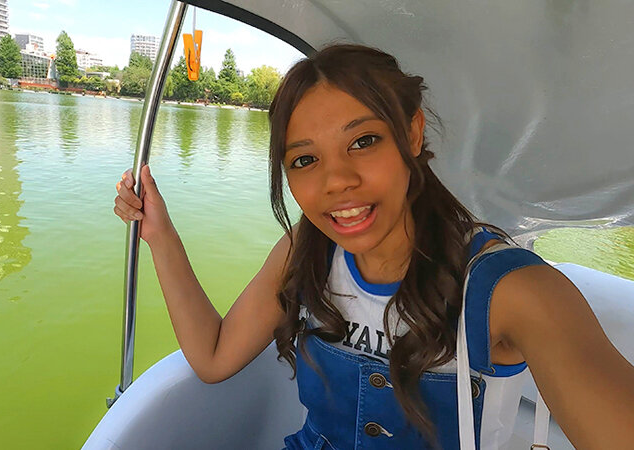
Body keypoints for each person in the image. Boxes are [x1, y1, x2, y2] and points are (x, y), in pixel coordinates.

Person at [113, 44, 634, 449]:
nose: (337, 180)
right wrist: (160, 234)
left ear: (412, 134)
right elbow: (213, 357)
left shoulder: (508, 289)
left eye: (363, 142)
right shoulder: (305, 252)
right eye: (304, 160)